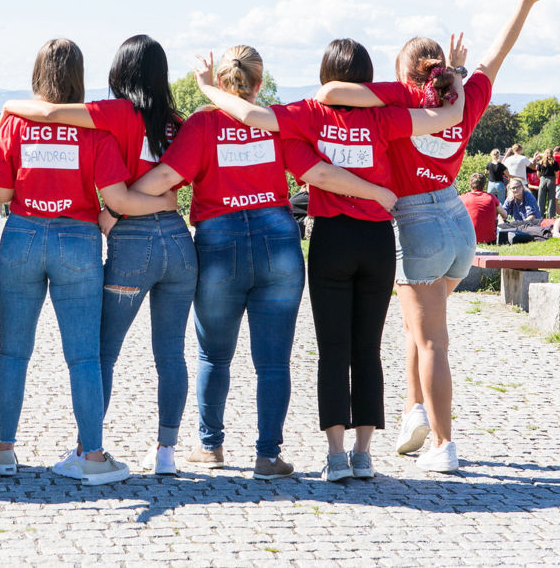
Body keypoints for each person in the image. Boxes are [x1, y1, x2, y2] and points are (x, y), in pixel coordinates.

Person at [313, 0, 560, 471]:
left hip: (415, 222)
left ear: (406, 76)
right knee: (416, 327)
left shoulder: (402, 104)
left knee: (431, 340)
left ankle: (444, 445)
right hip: (457, 222)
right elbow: (498, 53)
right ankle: (413, 411)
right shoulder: (465, 102)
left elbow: (333, 94)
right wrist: (526, 1)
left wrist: (400, 91)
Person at [188, 40, 464, 482]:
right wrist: (459, 76)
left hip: (331, 238)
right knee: (368, 350)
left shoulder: (310, 114)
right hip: (376, 239)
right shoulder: (382, 117)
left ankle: (335, 456)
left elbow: (252, 116)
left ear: (325, 75)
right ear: (368, 77)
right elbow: (450, 117)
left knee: (332, 351)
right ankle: (363, 454)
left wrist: (208, 89)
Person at [132, 45, 398, 480]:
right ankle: (268, 455)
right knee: (273, 361)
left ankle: (210, 446)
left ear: (221, 84)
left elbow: (164, 178)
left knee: (213, 356)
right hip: (278, 240)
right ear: (259, 83)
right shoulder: (277, 122)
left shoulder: (203, 123)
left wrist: (119, 200)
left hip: (219, 241)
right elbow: (317, 173)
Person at [0, 34, 195, 476]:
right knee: (172, 353)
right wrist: (163, 203)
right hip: (178, 243)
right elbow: (168, 179)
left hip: (129, 242)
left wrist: (11, 106)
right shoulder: (178, 122)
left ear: (119, 72)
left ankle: (79, 448)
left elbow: (47, 117)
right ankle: (165, 452)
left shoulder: (112, 116)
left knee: (96, 353)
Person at [460, 173, 507, 244]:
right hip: (490, 241)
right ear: (484, 185)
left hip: (468, 241)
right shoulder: (492, 198)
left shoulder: (463, 198)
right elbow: (504, 215)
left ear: (470, 184)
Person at [535, 150, 558, 218]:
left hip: (543, 179)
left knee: (541, 200)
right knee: (551, 199)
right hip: (551, 180)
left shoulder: (541, 162)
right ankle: (551, 216)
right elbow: (557, 175)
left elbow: (538, 174)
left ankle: (540, 216)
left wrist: (542, 178)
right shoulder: (555, 163)